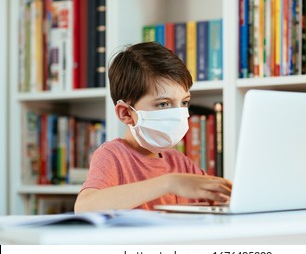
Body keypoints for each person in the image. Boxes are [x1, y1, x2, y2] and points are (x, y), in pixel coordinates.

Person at [74, 42, 232, 213]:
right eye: (163, 104)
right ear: (126, 113)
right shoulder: (113, 155)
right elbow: (84, 207)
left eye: (184, 102)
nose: (178, 113)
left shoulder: (180, 162)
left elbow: (224, 198)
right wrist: (169, 183)